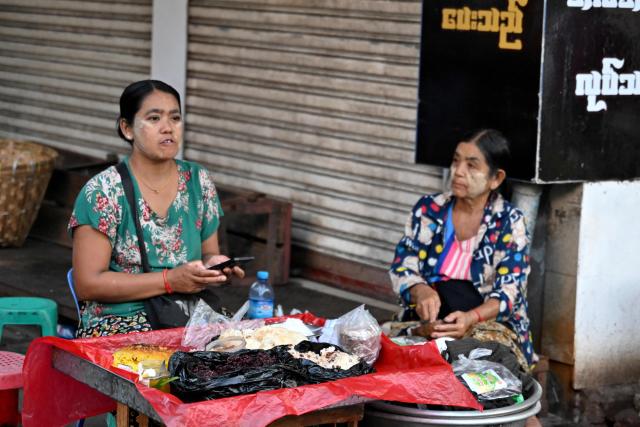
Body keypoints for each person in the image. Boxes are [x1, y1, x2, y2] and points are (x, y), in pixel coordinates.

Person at [68, 79, 244, 338]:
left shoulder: (198, 180)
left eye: (175, 118)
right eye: (153, 118)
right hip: (119, 319)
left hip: (191, 314)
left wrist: (215, 267)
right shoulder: (103, 191)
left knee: (251, 357)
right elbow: (88, 284)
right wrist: (169, 281)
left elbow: (208, 254)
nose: (167, 128)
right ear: (127, 128)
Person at [389, 129, 537, 372]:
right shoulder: (429, 210)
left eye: (472, 166)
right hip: (429, 325)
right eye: (456, 160)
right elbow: (402, 265)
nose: (458, 171)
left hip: (487, 328)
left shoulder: (509, 221)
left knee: (480, 368)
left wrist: (470, 319)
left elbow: (508, 294)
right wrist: (420, 290)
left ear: (496, 178)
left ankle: (524, 411)